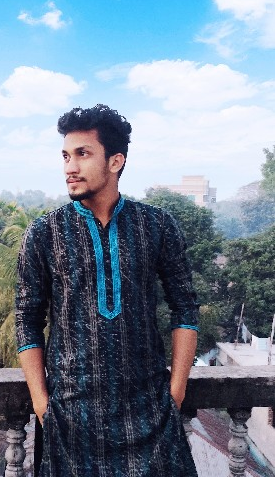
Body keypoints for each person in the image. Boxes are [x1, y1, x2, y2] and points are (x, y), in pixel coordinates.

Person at [15, 104, 199, 476]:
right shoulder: (44, 232)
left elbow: (185, 308)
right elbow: (26, 319)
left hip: (150, 413)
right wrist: (42, 403)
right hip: (70, 417)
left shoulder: (156, 225)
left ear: (115, 161)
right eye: (65, 156)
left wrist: (176, 391)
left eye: (82, 154)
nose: (70, 167)